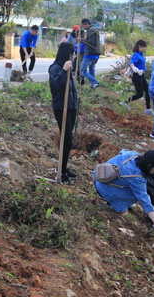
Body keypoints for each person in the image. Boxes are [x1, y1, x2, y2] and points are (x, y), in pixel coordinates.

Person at [93, 150, 154, 240]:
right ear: (149, 166)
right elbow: (145, 201)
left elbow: (122, 151)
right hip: (104, 189)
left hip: (98, 175)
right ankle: (114, 203)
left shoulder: (133, 155)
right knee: (136, 194)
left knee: (134, 188)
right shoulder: (137, 177)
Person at [49, 42, 78, 183]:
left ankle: (64, 167)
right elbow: (55, 86)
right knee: (66, 140)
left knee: (68, 141)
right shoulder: (56, 68)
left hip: (71, 107)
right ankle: (60, 171)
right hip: (62, 108)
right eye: (73, 54)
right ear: (67, 55)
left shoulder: (70, 68)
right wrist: (63, 71)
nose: (74, 57)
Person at [123, 40, 154, 115]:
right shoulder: (136, 54)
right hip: (136, 75)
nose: (145, 49)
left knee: (147, 90)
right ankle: (125, 102)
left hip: (141, 75)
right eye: (144, 47)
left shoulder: (141, 54)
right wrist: (135, 69)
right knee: (140, 94)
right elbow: (131, 63)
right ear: (139, 46)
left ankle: (148, 109)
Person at [80, 18, 101, 89]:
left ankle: (95, 82)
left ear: (87, 24)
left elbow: (91, 42)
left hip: (90, 54)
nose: (83, 27)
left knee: (83, 70)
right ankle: (93, 86)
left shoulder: (90, 30)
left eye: (83, 25)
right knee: (92, 72)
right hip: (96, 54)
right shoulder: (94, 29)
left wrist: (82, 40)